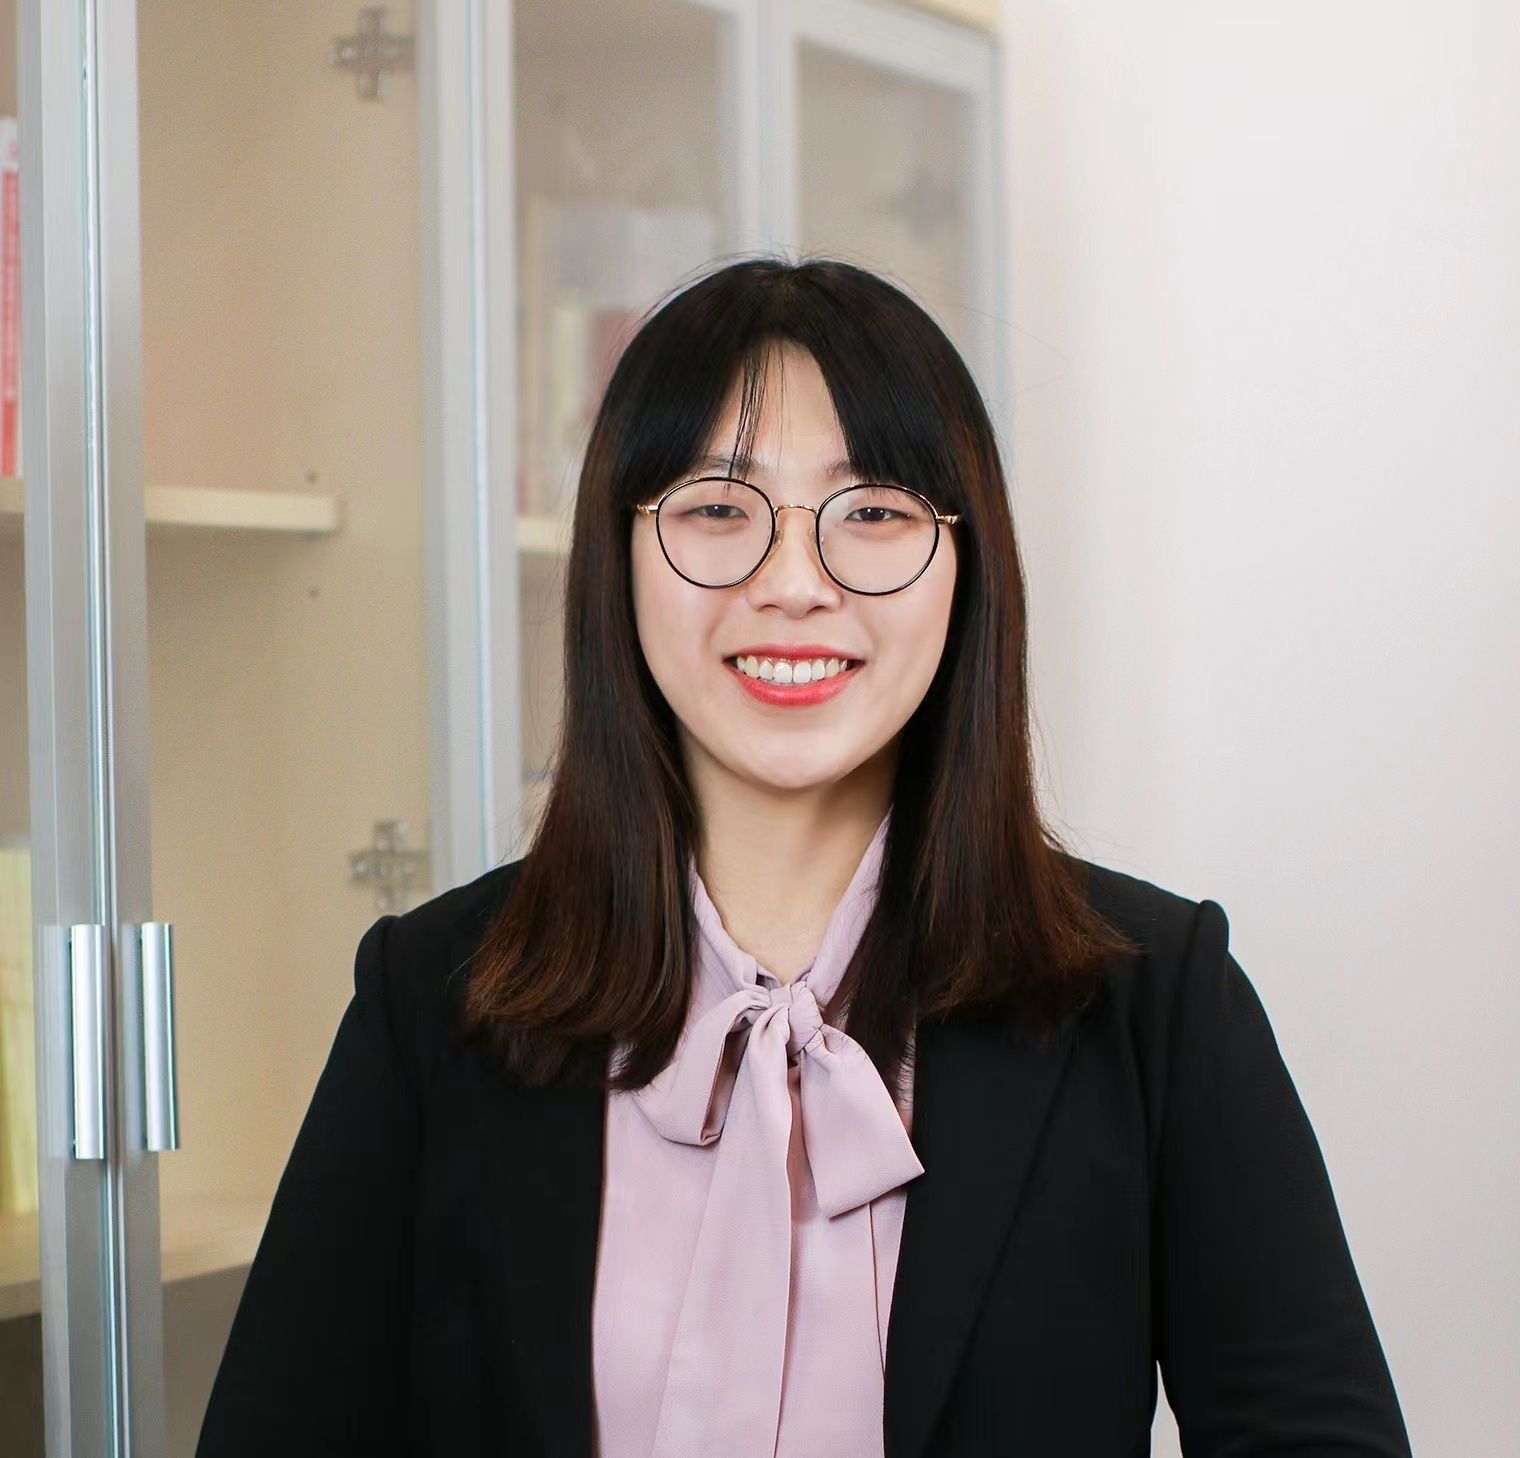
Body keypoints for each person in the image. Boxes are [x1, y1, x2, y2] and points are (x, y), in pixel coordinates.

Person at [196, 258, 1412, 1457]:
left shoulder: (1152, 1001)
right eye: (716, 510)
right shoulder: (434, 997)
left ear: (965, 565)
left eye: (871, 513)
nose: (792, 585)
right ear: (617, 558)